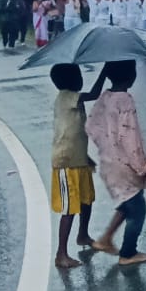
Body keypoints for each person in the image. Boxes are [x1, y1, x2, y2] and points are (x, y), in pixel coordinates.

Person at [87, 60, 146, 266]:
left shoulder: (105, 97)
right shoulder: (125, 100)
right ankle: (128, 253)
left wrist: (107, 145)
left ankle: (106, 238)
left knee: (129, 201)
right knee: (138, 210)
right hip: (125, 164)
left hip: (109, 161)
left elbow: (91, 126)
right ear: (131, 76)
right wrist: (143, 166)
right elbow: (130, 137)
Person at [49, 63, 105, 268]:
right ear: (70, 80)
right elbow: (94, 94)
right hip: (66, 162)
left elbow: (74, 132)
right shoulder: (66, 96)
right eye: (78, 76)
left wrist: (85, 156)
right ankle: (61, 254)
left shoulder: (72, 98)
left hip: (78, 159)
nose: (81, 79)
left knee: (86, 200)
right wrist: (105, 72)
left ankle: (83, 235)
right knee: (70, 208)